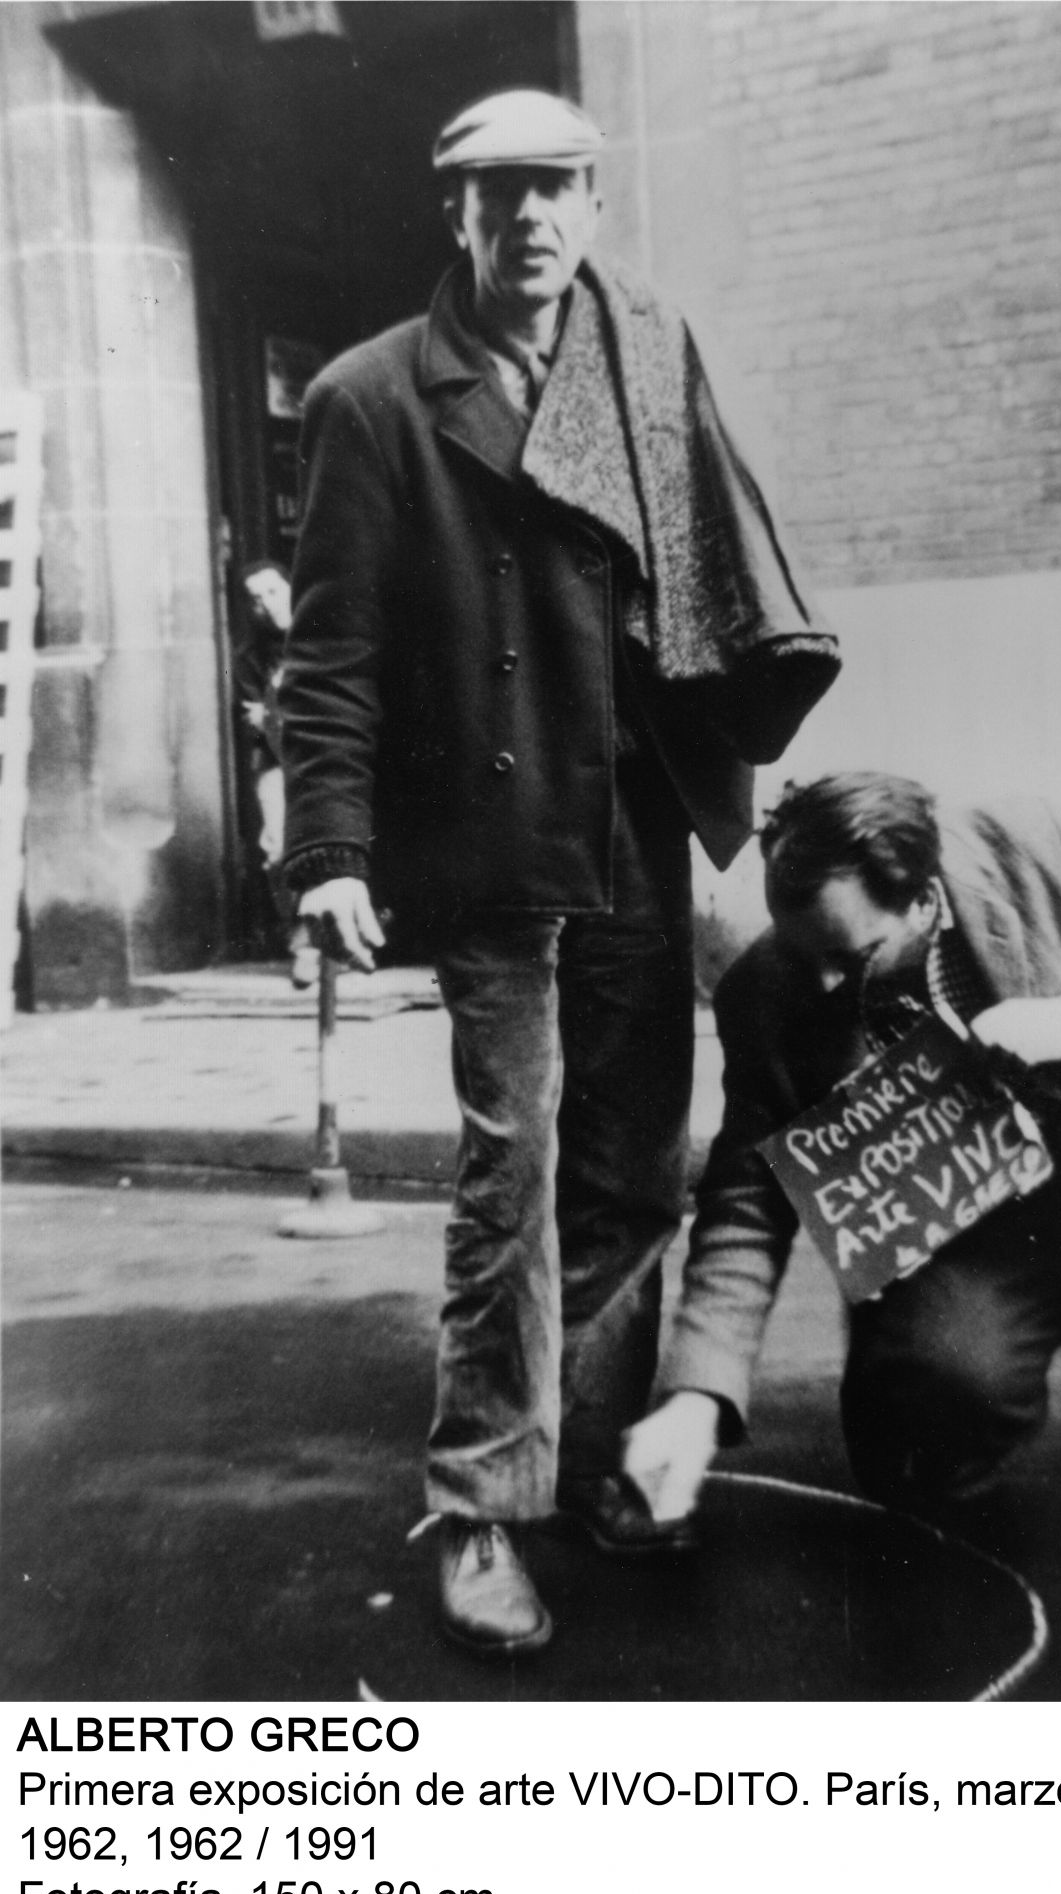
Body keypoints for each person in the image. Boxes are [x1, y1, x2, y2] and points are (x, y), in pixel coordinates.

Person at [277, 90, 841, 1655]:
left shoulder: (647, 353)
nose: (531, 216)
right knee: (510, 1173)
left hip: (634, 825)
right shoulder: (371, 398)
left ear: (594, 204)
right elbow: (331, 659)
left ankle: (584, 1452)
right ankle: (478, 1502)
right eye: (501, 192)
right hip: (491, 840)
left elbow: (713, 562)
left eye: (559, 188)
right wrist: (330, 850)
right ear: (455, 213)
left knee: (637, 1168)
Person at [625, 771, 1061, 1523]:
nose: (824, 984)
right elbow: (746, 1201)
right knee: (920, 1438)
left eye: (850, 955)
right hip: (968, 1248)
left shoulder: (1029, 844)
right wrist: (697, 1398)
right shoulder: (763, 995)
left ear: (926, 902)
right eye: (802, 956)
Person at [233, 560, 319, 989]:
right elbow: (261, 723)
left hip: (327, 757)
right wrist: (279, 714)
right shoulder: (249, 659)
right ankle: (304, 943)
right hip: (277, 760)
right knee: (280, 847)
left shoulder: (320, 639)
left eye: (273, 592)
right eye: (256, 599)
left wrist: (277, 711)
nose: (266, 604)